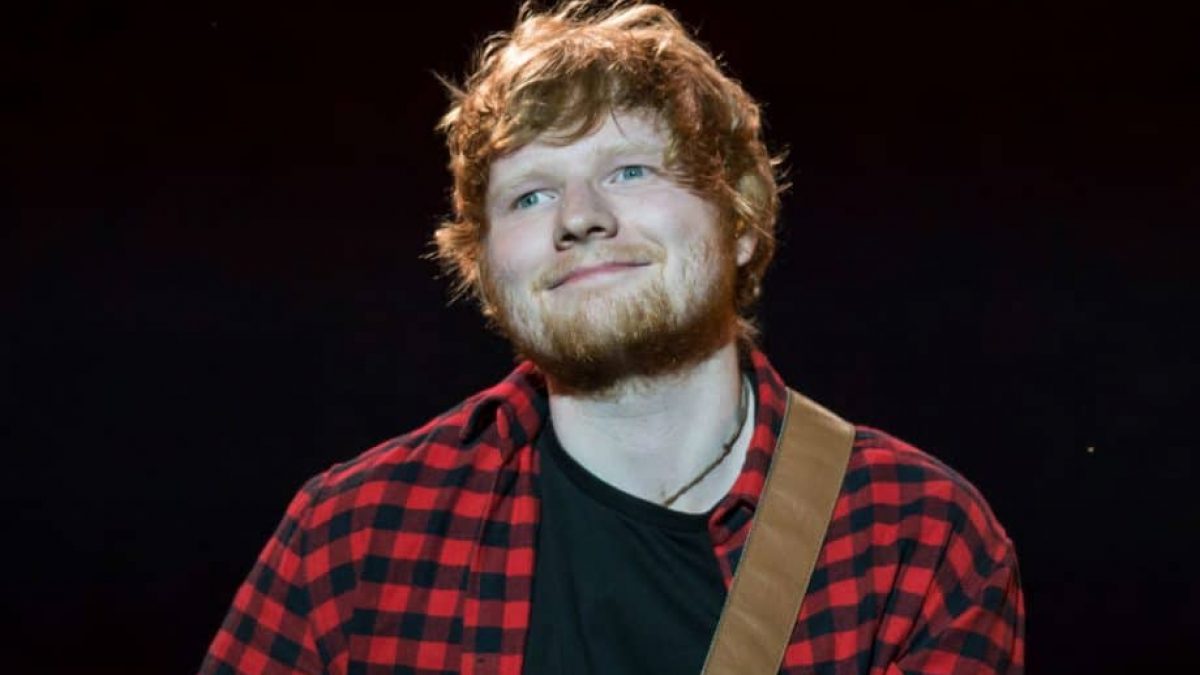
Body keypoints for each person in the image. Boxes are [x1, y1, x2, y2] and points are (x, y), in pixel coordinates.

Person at [200, 2, 1025, 673]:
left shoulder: (914, 538)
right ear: (486, 266)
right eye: (530, 195)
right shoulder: (352, 537)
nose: (580, 217)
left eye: (630, 170)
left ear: (740, 220)